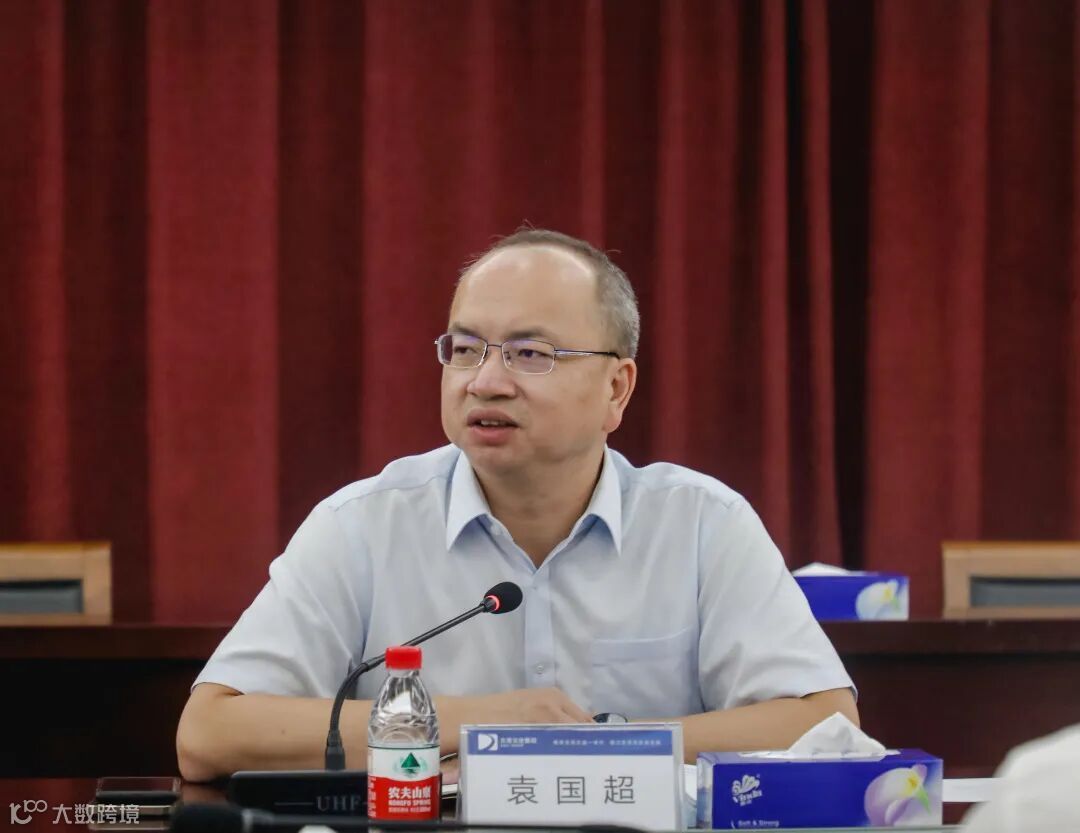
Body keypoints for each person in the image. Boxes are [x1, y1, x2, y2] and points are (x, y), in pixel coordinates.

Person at [176, 228, 857, 782]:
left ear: (616, 389)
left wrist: (591, 746)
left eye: (530, 353)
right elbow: (208, 734)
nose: (485, 381)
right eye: (466, 349)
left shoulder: (703, 524)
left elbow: (823, 723)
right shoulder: (362, 526)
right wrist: (486, 724)